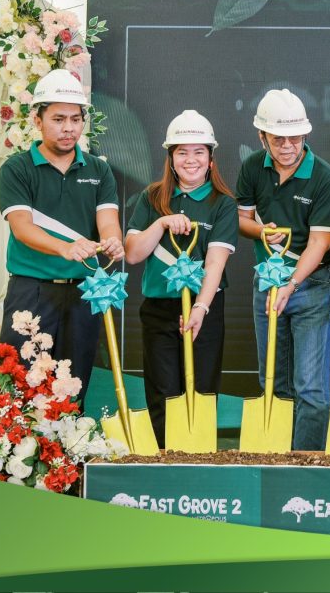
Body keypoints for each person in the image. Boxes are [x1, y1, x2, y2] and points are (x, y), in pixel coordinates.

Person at [0, 69, 123, 402]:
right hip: (31, 291)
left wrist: (113, 241)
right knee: (21, 387)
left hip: (84, 295)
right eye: (58, 119)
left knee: (72, 386)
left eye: (75, 119)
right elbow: (22, 227)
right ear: (37, 120)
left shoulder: (99, 169)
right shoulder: (17, 168)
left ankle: (65, 453)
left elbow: (108, 220)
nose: (68, 128)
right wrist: (64, 248)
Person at [236, 89, 330, 450]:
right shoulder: (252, 167)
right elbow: (243, 219)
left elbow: (321, 242)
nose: (287, 146)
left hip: (311, 285)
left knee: (310, 388)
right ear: (261, 136)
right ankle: (275, 459)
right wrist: (262, 231)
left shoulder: (326, 178)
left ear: (305, 135)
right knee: (273, 381)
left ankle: (306, 464)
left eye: (294, 137)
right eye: (278, 138)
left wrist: (292, 284)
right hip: (267, 282)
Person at [124, 110, 238, 447]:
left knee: (201, 388)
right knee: (163, 390)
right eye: (182, 152)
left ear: (211, 159)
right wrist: (161, 223)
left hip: (205, 309)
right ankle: (163, 460)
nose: (191, 160)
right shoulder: (151, 198)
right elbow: (132, 253)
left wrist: (200, 309)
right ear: (171, 158)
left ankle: (198, 459)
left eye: (199, 152)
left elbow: (216, 264)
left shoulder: (223, 204)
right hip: (159, 308)